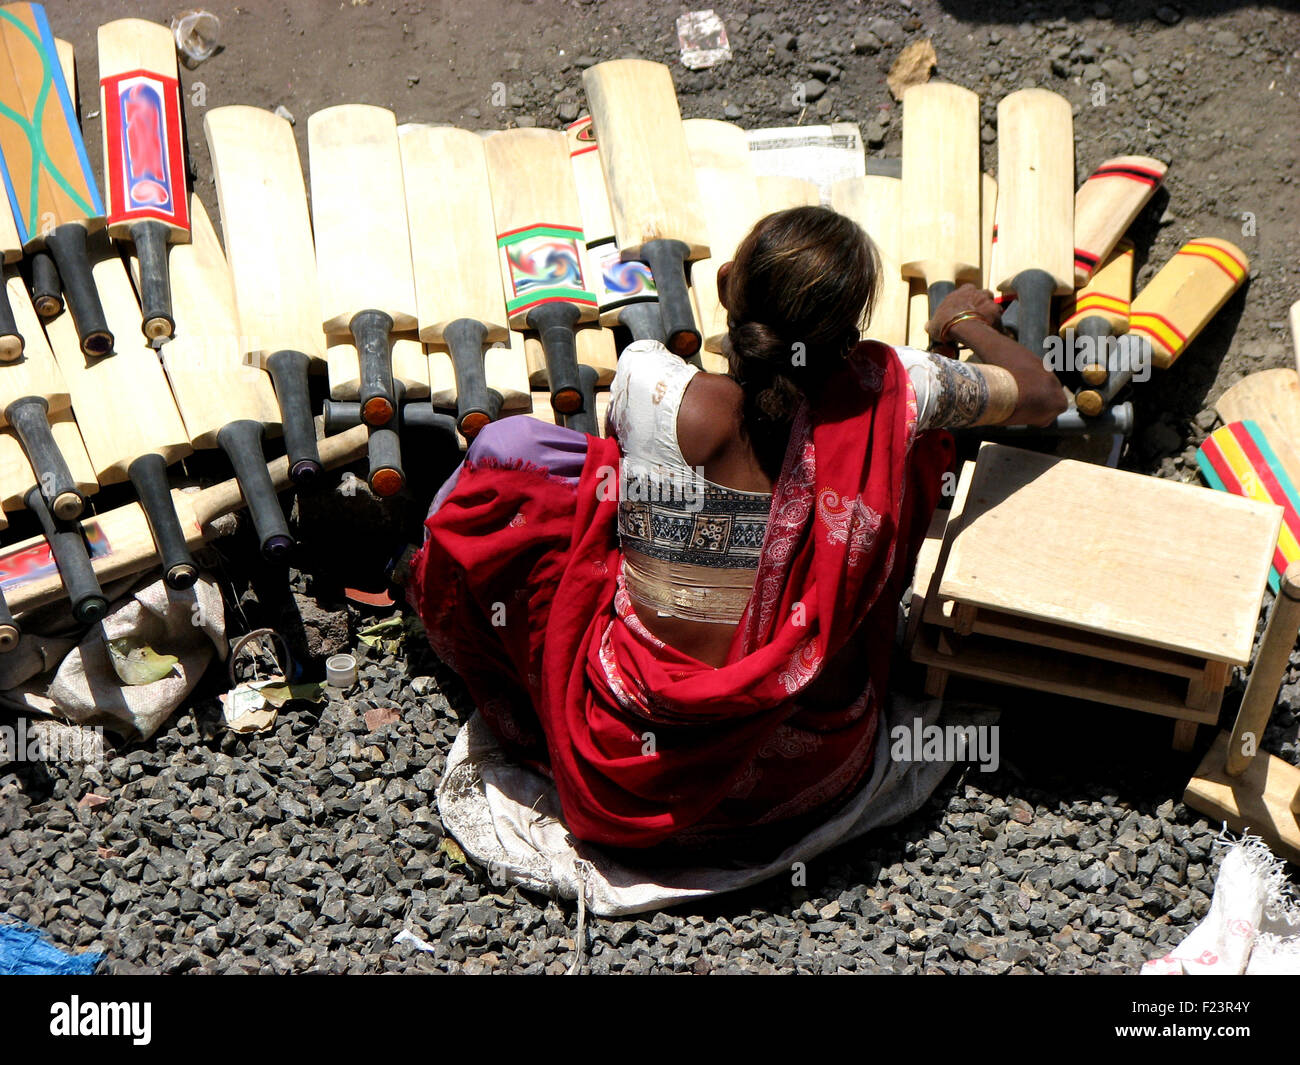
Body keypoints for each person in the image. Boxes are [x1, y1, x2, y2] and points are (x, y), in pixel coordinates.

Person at [406, 206, 1067, 852]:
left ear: (725, 287)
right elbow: (1043, 396)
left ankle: (409, 575)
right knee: (911, 447)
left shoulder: (646, 380)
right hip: (806, 771)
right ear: (848, 335)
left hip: (623, 771)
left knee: (516, 461)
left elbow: (619, 505)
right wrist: (962, 320)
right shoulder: (897, 385)